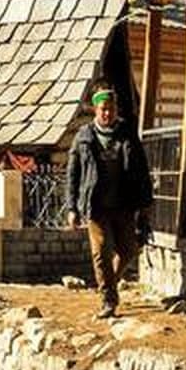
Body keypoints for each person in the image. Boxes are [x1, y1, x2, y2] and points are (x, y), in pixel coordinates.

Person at [66, 87, 153, 318]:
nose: (108, 114)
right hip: (95, 206)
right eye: (104, 109)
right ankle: (108, 299)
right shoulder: (84, 137)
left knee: (128, 250)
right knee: (101, 252)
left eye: (111, 109)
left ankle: (109, 283)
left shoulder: (127, 133)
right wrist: (72, 207)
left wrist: (145, 202)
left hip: (124, 204)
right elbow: (72, 174)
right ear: (96, 109)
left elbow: (141, 170)